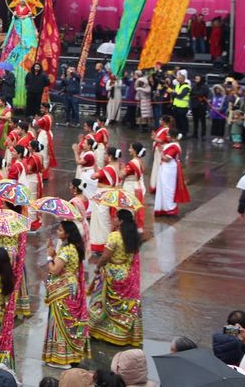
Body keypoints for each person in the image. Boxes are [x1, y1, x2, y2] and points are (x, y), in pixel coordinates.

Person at [90, 208, 143, 346]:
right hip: (126, 272)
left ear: (120, 221)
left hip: (112, 273)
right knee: (122, 306)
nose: (113, 219)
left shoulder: (114, 236)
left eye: (115, 217)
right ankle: (121, 334)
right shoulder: (133, 236)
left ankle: (99, 330)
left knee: (102, 302)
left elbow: (106, 256)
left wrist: (98, 267)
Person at [42, 220, 90, 367]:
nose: (58, 232)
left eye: (60, 231)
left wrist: (49, 256)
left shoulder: (67, 249)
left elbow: (55, 269)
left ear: (68, 234)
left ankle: (61, 359)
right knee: (67, 321)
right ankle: (69, 355)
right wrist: (53, 251)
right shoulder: (74, 248)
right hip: (71, 286)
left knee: (59, 321)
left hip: (63, 289)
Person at [151, 130, 189, 217]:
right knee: (164, 187)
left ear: (173, 137)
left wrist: (161, 151)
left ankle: (170, 208)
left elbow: (167, 159)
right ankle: (164, 208)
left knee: (168, 188)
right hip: (166, 168)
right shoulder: (172, 145)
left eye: (168, 135)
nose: (166, 137)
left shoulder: (174, 147)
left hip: (169, 169)